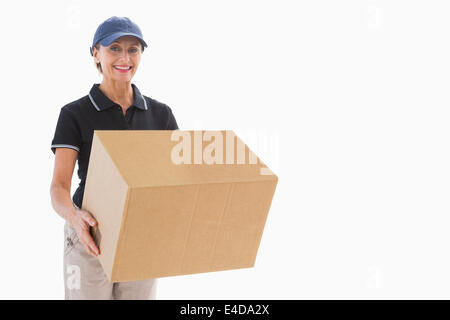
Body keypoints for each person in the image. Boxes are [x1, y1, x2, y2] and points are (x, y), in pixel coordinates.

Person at [49, 16, 179, 300]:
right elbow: (58, 188)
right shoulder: (74, 114)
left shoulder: (161, 115)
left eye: (133, 49)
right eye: (115, 48)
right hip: (91, 237)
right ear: (96, 53)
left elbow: (175, 181)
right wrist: (74, 217)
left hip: (141, 237)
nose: (125, 57)